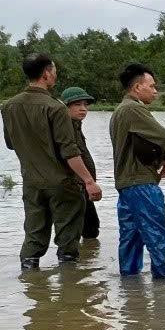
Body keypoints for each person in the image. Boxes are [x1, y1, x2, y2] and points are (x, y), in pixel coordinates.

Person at [0, 53, 103, 270]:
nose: (55, 75)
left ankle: (33, 289)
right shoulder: (55, 107)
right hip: (63, 184)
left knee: (33, 237)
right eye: (54, 71)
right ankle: (70, 292)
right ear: (46, 74)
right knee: (68, 243)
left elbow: (11, 144)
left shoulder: (9, 106)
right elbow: (70, 152)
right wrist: (89, 181)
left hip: (32, 183)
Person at [109, 62, 165, 278]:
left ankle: (131, 294)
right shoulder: (134, 109)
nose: (155, 91)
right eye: (152, 86)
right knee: (160, 237)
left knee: (130, 239)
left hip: (125, 186)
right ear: (137, 88)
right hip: (142, 185)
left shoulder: (119, 111)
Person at [60, 86, 102, 241]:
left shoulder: (76, 126)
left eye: (85, 105)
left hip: (83, 185)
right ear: (66, 107)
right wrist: (88, 181)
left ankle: (86, 262)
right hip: (75, 186)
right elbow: (69, 156)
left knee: (91, 228)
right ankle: (78, 263)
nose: (83, 109)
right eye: (77, 105)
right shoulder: (65, 127)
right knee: (84, 230)